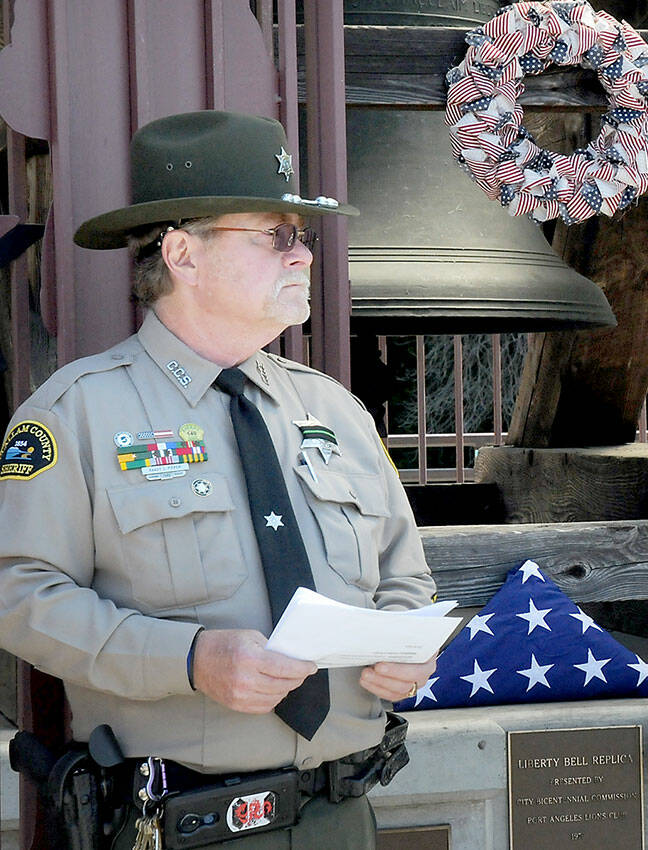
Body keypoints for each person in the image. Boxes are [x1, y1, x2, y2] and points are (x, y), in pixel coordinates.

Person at [0, 110, 436, 848]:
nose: (302, 256)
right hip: (185, 826)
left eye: (303, 237)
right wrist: (191, 661)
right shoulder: (75, 416)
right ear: (182, 254)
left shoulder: (334, 409)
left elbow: (405, 577)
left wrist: (411, 649)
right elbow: (20, 598)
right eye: (277, 235)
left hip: (344, 814)